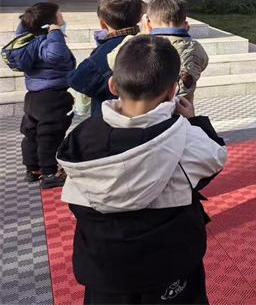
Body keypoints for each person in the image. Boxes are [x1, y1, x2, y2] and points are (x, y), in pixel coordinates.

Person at [57, 35, 227, 304]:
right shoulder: (185, 137)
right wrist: (194, 121)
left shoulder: (79, 139)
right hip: (169, 267)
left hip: (105, 271)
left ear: (113, 85)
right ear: (172, 91)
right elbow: (214, 159)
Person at [2, 2, 75, 189]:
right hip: (52, 98)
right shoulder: (47, 42)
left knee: (32, 134)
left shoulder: (28, 42)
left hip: (34, 97)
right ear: (50, 23)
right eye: (59, 15)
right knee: (49, 136)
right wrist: (55, 33)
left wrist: (29, 21)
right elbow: (57, 56)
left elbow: (21, 33)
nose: (62, 18)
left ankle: (33, 168)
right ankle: (49, 173)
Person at [68, 0, 142, 117]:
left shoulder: (106, 51)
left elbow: (78, 79)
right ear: (140, 17)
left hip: (108, 118)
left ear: (102, 23)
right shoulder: (148, 42)